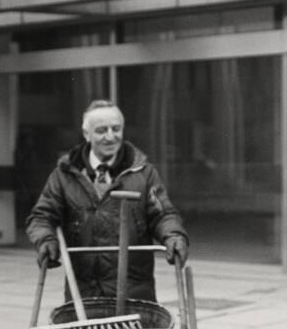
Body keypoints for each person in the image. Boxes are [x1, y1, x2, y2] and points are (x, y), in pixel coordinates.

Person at [25, 100, 189, 302]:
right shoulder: (64, 175)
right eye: (102, 130)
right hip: (84, 296)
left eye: (116, 129)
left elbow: (162, 215)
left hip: (134, 294)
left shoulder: (143, 173)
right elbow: (42, 217)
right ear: (87, 134)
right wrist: (45, 240)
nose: (110, 137)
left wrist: (174, 236)